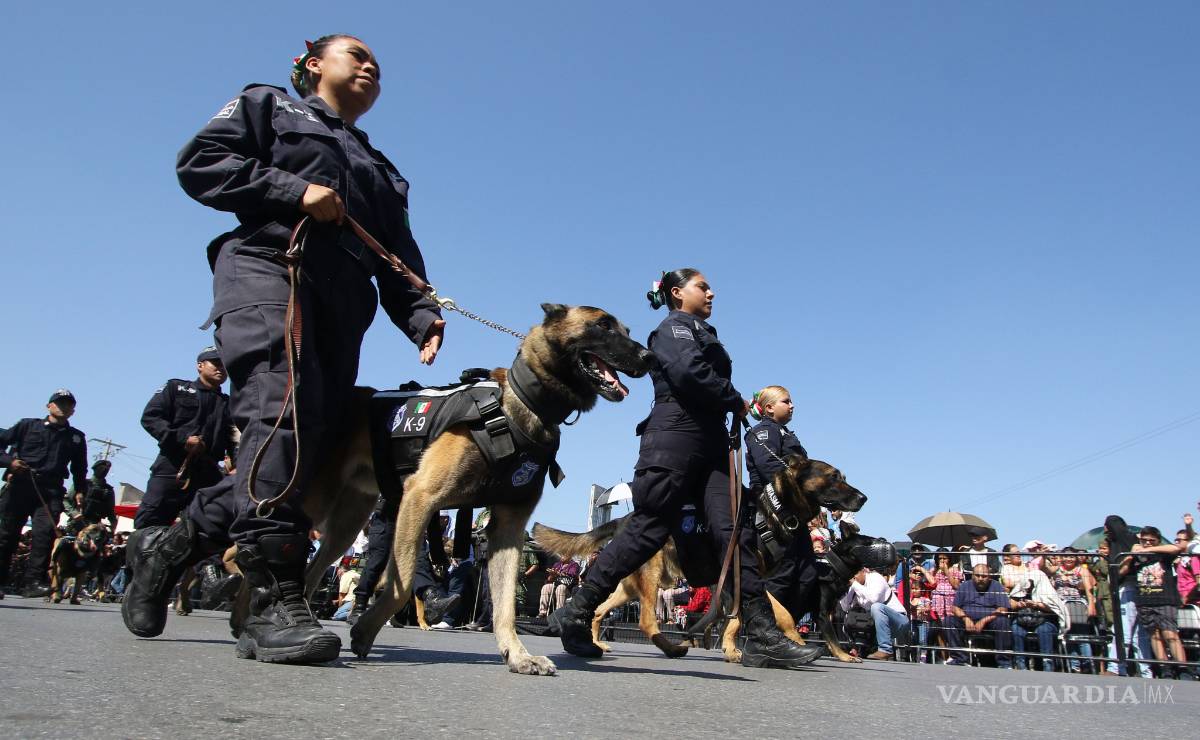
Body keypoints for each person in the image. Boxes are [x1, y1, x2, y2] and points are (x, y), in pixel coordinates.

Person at [121, 35, 445, 665]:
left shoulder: (380, 167)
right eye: (356, 52)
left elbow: (398, 254)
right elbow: (202, 162)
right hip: (271, 270)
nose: (371, 63)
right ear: (314, 65)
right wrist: (293, 191)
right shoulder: (269, 105)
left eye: (377, 60)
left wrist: (423, 314)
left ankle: (168, 547)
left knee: (306, 448)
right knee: (279, 415)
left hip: (343, 304)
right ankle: (272, 599)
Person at [549, 268, 822, 668]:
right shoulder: (672, 329)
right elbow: (688, 373)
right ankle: (577, 611)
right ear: (677, 293)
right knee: (648, 527)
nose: (712, 292)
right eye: (703, 286)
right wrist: (734, 398)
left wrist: (728, 405)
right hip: (674, 438)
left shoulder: (698, 330)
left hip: (711, 446)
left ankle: (761, 633)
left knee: (735, 533)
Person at [743, 385, 820, 626]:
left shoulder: (785, 432)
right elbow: (770, 467)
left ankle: (787, 630)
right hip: (772, 512)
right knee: (782, 573)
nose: (792, 405)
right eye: (786, 401)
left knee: (807, 574)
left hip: (793, 513)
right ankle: (765, 634)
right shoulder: (763, 432)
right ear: (768, 407)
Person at [0, 390, 89, 599]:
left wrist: (80, 492)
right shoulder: (27, 426)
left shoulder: (76, 437)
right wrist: (9, 462)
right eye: (59, 403)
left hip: (50, 490)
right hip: (21, 485)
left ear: (73, 411)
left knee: (45, 535)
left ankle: (33, 582)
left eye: (68, 404)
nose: (63, 407)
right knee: (6, 535)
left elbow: (80, 468)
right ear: (48, 406)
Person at [135, 347, 235, 529]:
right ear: (200, 365)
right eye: (216, 363)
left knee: (206, 531)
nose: (221, 368)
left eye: (225, 365)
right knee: (150, 525)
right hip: (172, 468)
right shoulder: (176, 388)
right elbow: (151, 417)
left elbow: (235, 440)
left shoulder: (229, 404)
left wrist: (236, 465)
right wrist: (182, 439)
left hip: (208, 474)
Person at [1120, 526, 1189, 678]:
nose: (1148, 543)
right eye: (1145, 540)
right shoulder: (1136, 554)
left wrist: (1147, 549)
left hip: (1165, 599)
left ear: (1158, 541)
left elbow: (1177, 547)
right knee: (1154, 635)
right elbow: (1122, 571)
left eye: (1152, 540)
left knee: (1170, 634)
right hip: (1144, 600)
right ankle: (1165, 669)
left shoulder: (1163, 554)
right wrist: (1132, 554)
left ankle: (1183, 668)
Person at [943, 564, 1014, 668]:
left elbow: (1003, 609)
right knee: (948, 621)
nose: (980, 579)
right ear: (972, 575)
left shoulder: (996, 585)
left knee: (1003, 621)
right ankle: (960, 658)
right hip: (967, 620)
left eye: (984, 576)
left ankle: (1004, 662)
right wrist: (965, 618)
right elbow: (955, 608)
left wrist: (984, 620)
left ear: (989, 576)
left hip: (990, 621)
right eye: (977, 575)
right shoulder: (964, 586)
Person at [840, 567, 909, 661]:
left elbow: (874, 599)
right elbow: (845, 607)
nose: (853, 577)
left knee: (876, 607)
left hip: (898, 621)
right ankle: (857, 648)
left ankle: (885, 649)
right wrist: (849, 590)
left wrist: (855, 585)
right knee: (853, 617)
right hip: (880, 627)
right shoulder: (857, 586)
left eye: (855, 574)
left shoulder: (875, 578)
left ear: (863, 571)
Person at [1008, 569, 1068, 671]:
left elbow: (1055, 608)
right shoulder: (1022, 589)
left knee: (1043, 630)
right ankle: (1020, 663)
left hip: (1046, 621)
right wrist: (1019, 604)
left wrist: (1037, 605)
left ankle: (1047, 663)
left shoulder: (1048, 591)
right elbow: (1010, 603)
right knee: (1016, 629)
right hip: (1023, 621)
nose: (1029, 585)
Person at [65, 460, 118, 533]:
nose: (104, 471)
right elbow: (65, 501)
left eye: (106, 469)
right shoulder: (82, 484)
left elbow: (111, 512)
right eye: (102, 468)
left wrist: (113, 524)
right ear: (95, 469)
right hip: (77, 524)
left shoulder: (108, 490)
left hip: (95, 528)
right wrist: (73, 513)